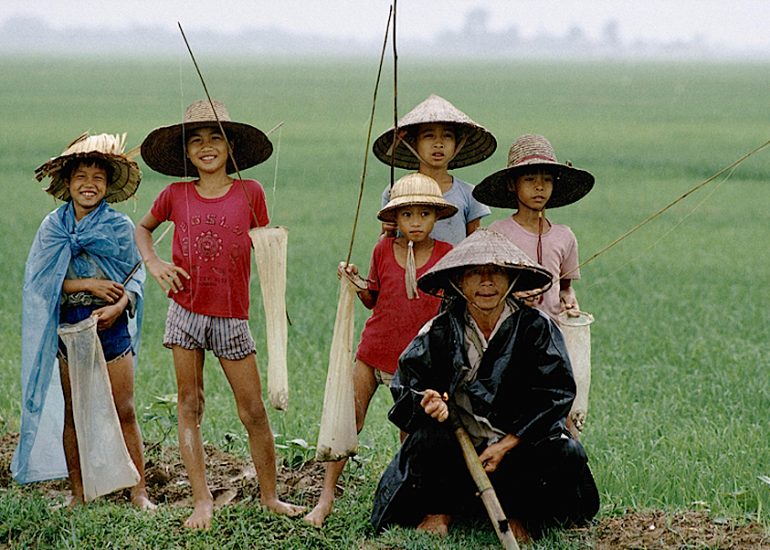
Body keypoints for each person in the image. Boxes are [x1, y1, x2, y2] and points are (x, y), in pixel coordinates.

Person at [135, 99, 303, 529]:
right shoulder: (175, 194)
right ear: (186, 153)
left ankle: (270, 496)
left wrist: (274, 294)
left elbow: (267, 247)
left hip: (231, 317)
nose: (206, 147)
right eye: (197, 141)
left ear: (230, 147)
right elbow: (143, 230)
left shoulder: (251, 192)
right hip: (185, 313)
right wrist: (154, 264)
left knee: (253, 411)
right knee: (190, 405)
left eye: (215, 138)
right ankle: (202, 500)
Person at [371, 229, 600, 542]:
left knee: (562, 450)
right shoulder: (439, 329)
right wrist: (428, 401)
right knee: (427, 439)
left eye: (495, 272)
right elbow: (409, 384)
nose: (486, 282)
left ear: (511, 279)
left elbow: (555, 395)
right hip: (460, 446)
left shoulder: (536, 327)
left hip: (515, 445)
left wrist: (506, 444)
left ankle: (520, 515)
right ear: (458, 282)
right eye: (475, 274)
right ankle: (439, 510)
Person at [304, 173, 456, 527]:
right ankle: (325, 497)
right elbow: (374, 298)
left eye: (424, 214)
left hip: (418, 364)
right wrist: (356, 282)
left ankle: (409, 501)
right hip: (373, 352)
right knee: (348, 421)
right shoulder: (382, 249)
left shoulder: (448, 256)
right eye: (407, 215)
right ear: (395, 218)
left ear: (437, 217)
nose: (415, 222)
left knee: (411, 435)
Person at [13, 132, 154, 509]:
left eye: (97, 177)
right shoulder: (52, 228)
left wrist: (118, 305)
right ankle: (79, 492)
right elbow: (41, 281)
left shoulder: (120, 227)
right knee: (74, 412)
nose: (88, 184)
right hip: (69, 324)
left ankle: (139, 490)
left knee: (124, 407)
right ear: (68, 182)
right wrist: (88, 283)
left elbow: (136, 275)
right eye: (81, 176)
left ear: (107, 185)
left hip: (111, 324)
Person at [473, 134, 595, 321]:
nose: (539, 186)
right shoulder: (497, 233)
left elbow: (565, 287)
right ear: (512, 184)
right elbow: (485, 284)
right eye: (530, 179)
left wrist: (569, 300)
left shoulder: (564, 236)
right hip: (508, 330)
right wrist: (512, 294)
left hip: (552, 334)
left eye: (547, 180)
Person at [372, 94, 496, 244]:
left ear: (458, 144)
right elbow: (384, 246)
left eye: (447, 136)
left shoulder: (469, 194)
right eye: (429, 136)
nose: (439, 143)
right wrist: (388, 232)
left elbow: (475, 245)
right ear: (414, 143)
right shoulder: (395, 191)